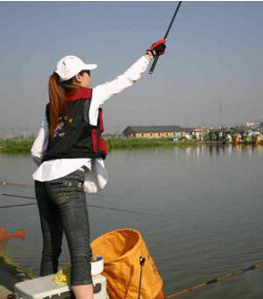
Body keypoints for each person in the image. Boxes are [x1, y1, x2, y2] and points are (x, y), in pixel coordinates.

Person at [30, 39, 167, 299]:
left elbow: (36, 152)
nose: (90, 76)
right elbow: (127, 79)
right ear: (79, 78)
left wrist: (51, 172)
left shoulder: (52, 107)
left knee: (50, 252)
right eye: (87, 72)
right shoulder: (92, 97)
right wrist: (150, 55)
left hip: (42, 183)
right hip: (68, 183)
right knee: (81, 256)